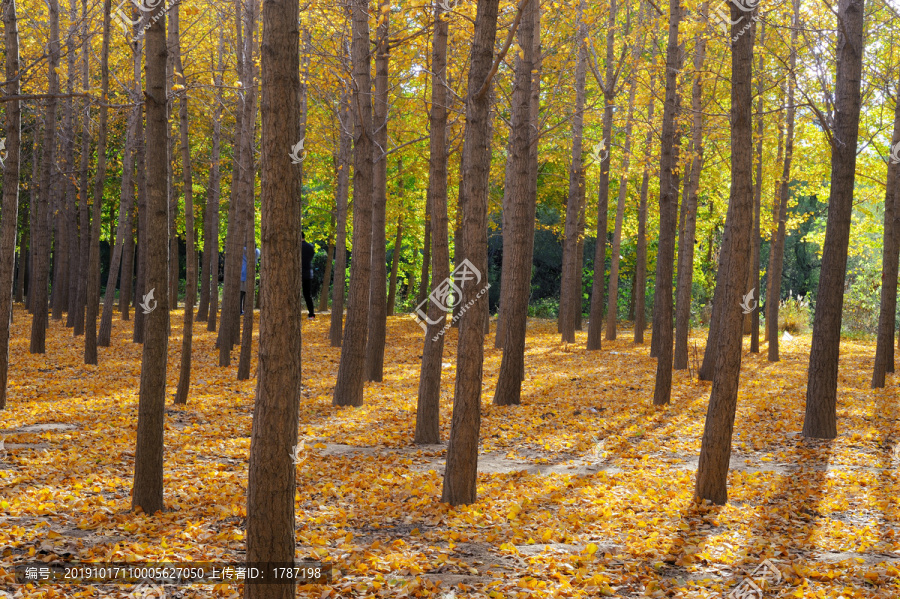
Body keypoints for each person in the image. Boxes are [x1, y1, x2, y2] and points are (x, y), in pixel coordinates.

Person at [241, 245, 260, 315]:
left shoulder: (245, 251)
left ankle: (242, 310)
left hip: (243, 274)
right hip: (249, 275)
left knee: (242, 294)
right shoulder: (256, 252)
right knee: (246, 294)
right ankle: (245, 310)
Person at [302, 232, 316, 318]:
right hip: (308, 273)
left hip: (299, 272)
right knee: (307, 295)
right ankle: (311, 314)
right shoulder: (310, 247)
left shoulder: (297, 246)